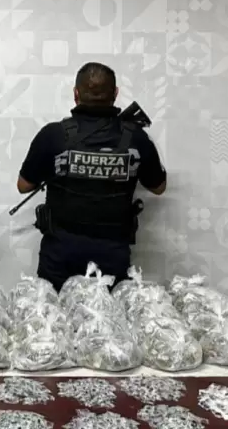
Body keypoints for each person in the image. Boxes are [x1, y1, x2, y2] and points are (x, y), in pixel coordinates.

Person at [17, 62, 167, 291]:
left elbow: (23, 185)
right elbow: (159, 187)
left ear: (75, 94)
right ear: (115, 94)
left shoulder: (53, 135)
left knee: (51, 312)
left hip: (59, 257)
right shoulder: (136, 138)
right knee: (106, 313)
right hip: (112, 258)